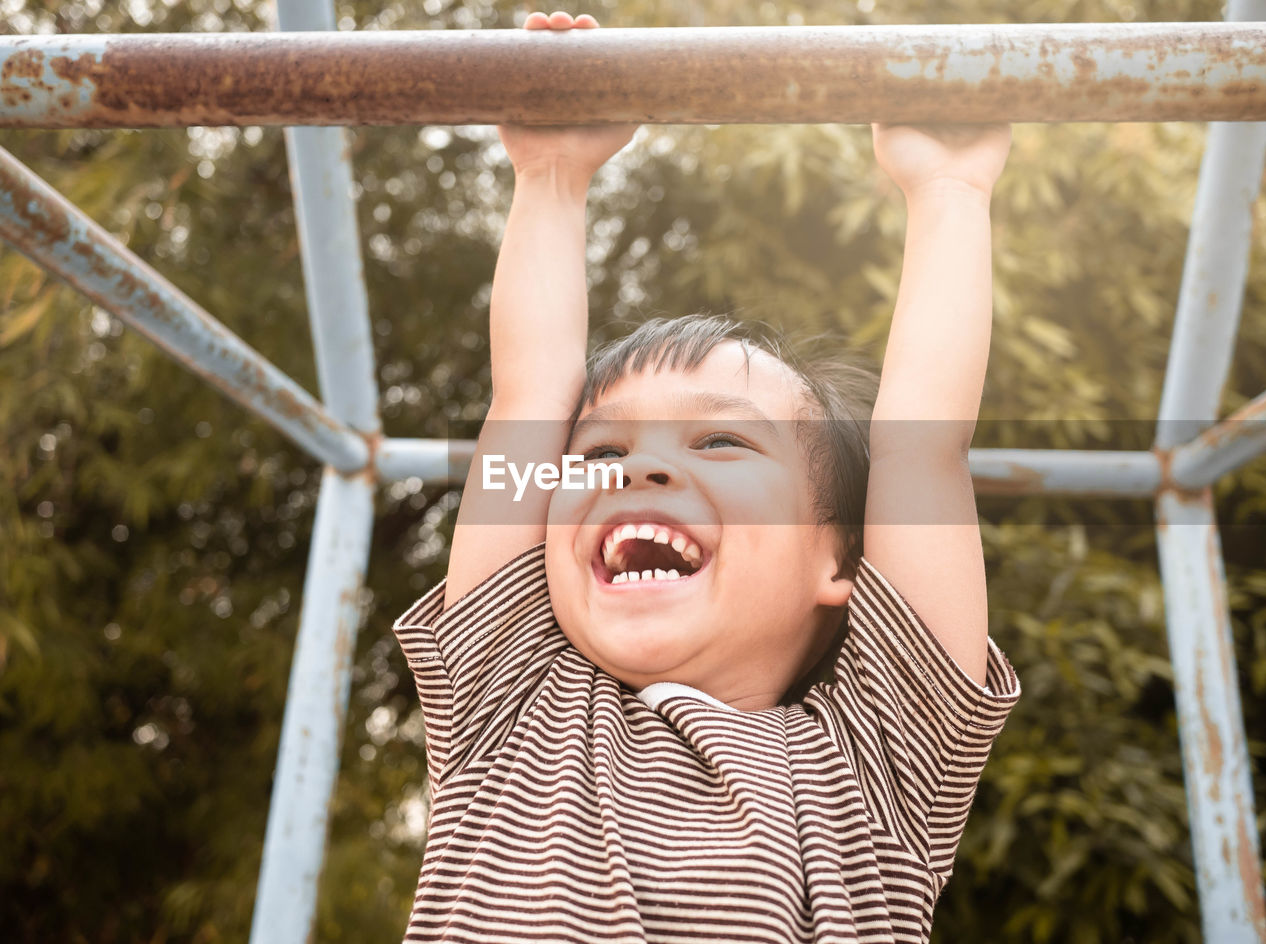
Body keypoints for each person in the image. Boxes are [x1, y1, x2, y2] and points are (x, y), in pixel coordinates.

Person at [393, 10, 1020, 942]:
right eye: (601, 454)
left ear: (837, 562)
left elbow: (921, 445)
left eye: (721, 444)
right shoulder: (510, 702)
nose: (640, 467)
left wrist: (951, 190)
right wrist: (553, 177)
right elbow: (527, 395)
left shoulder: (878, 764)